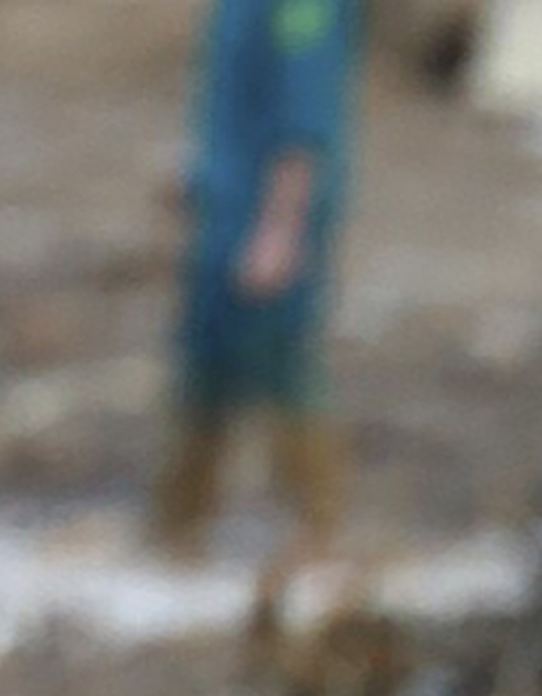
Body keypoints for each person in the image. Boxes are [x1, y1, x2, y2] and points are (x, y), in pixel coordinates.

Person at [154, 0, 356, 559]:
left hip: (267, 223)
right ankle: (177, 533)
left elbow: (304, 120)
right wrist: (198, 173)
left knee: (284, 369)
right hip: (225, 212)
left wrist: (281, 227)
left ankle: (319, 536)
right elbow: (235, 96)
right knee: (205, 370)